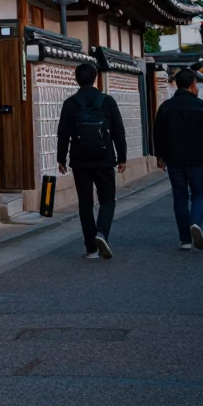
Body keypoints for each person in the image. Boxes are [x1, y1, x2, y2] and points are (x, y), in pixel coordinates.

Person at [57, 61, 127, 260]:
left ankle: (90, 249)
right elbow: (118, 131)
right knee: (108, 199)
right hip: (104, 159)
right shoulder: (107, 101)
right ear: (95, 77)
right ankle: (101, 233)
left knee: (85, 203)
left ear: (76, 78)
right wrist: (122, 157)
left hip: (80, 161)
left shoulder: (71, 103)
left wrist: (61, 158)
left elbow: (63, 133)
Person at [154, 67, 203, 250]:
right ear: (193, 84)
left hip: (174, 159)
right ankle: (196, 223)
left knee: (180, 198)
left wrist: (159, 155)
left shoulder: (166, 107)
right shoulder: (202, 106)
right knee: (199, 194)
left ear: (176, 84)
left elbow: (158, 133)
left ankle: (185, 239)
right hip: (198, 159)